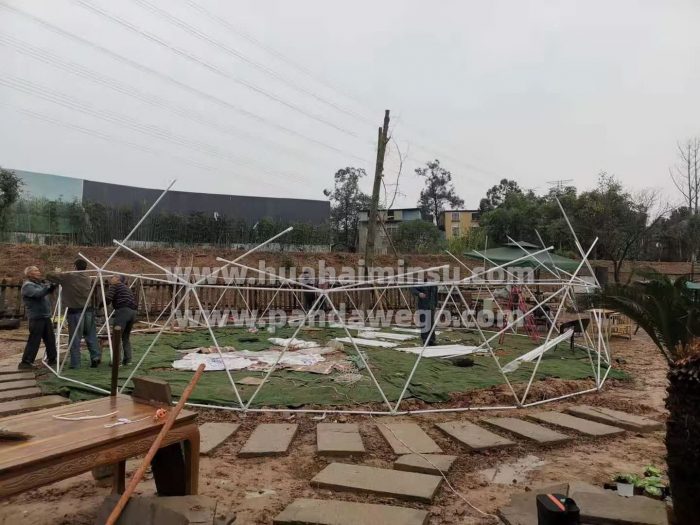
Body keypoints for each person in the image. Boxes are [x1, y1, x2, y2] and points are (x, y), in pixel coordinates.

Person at [46, 259, 101, 368]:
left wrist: (58, 272)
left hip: (75, 312)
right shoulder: (87, 278)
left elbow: (49, 275)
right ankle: (95, 357)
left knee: (75, 338)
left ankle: (75, 363)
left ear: (75, 267)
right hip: (88, 311)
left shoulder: (69, 277)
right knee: (91, 336)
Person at [19, 266, 57, 369]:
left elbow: (46, 291)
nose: (39, 272)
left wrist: (52, 286)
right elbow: (39, 294)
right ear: (29, 274)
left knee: (50, 339)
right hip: (36, 317)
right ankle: (26, 362)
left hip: (45, 316)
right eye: (36, 270)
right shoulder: (28, 286)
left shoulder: (39, 284)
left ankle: (52, 359)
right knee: (34, 340)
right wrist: (48, 287)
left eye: (38, 270)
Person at [105, 275, 138, 366]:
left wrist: (100, 305)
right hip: (133, 313)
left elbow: (108, 298)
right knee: (125, 337)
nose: (111, 278)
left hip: (123, 311)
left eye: (113, 277)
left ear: (118, 279)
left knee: (116, 337)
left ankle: (117, 361)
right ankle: (128, 360)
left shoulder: (115, 286)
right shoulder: (127, 288)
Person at [411, 276, 439, 346]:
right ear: (427, 279)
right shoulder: (422, 284)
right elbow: (413, 289)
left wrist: (435, 305)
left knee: (431, 324)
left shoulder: (434, 286)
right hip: (423, 307)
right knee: (424, 324)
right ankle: (425, 340)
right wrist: (419, 294)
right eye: (430, 279)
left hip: (431, 307)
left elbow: (436, 296)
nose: (432, 281)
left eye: (433, 280)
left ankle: (432, 340)